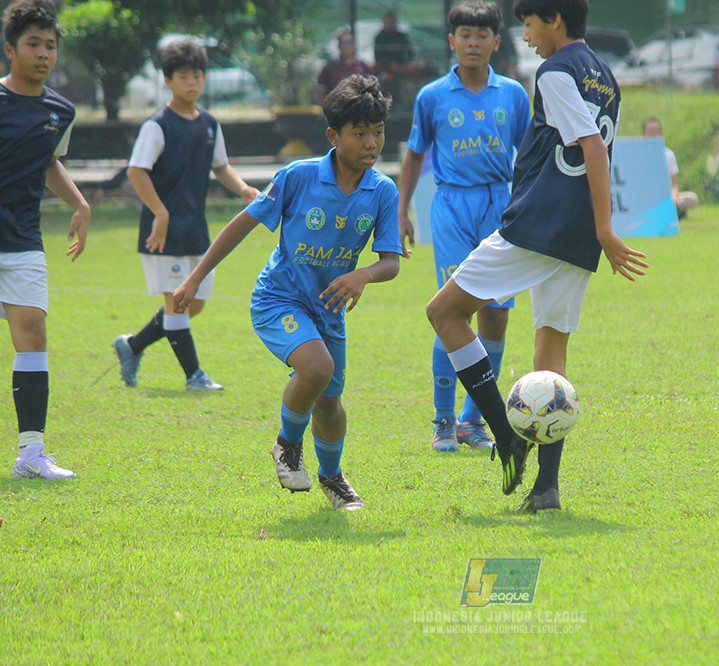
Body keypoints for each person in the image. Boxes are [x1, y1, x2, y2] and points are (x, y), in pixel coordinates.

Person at [425, 0, 648, 513]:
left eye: (528, 24)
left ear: (554, 20)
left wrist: (607, 228)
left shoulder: (555, 70)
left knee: (443, 311)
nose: (525, 37)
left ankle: (504, 434)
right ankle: (546, 488)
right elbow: (598, 144)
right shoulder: (605, 75)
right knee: (551, 358)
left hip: (538, 226)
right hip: (573, 238)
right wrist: (597, 232)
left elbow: (591, 144)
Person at [173, 75, 401, 510]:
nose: (372, 143)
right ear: (334, 136)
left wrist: (363, 275)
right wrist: (196, 276)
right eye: (360, 134)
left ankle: (332, 477)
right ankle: (286, 445)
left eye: (378, 132)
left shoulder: (382, 191)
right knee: (316, 368)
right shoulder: (298, 177)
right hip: (278, 299)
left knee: (330, 405)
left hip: (328, 311)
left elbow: (390, 261)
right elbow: (242, 224)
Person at [398, 1, 530, 453]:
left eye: (482, 35)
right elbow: (415, 153)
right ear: (451, 41)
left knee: (496, 315)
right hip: (452, 206)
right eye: (465, 35)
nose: (473, 42)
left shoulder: (513, 93)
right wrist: (402, 210)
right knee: (454, 311)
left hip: (501, 207)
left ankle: (473, 422)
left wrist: (529, 206)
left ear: (496, 41)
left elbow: (528, 155)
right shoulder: (432, 96)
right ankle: (442, 419)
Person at [112, 39, 259, 391]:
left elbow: (221, 166)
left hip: (196, 227)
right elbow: (136, 171)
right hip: (162, 231)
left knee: (194, 305)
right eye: (183, 76)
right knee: (177, 304)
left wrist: (244, 190)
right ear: (167, 80)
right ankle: (194, 376)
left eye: (197, 76)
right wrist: (160, 213)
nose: (192, 83)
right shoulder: (157, 125)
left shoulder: (209, 123)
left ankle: (131, 345)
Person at [1, 0, 90, 480]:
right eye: (33, 44)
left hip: (22, 238)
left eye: (50, 46)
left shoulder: (61, 110)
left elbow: (48, 160)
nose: (43, 54)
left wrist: (80, 204)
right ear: (11, 49)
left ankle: (31, 454)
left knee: (33, 333)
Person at [640, 117, 698, 219]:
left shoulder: (668, 154)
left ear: (661, 134)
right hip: (644, 197)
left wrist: (673, 197)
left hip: (664, 197)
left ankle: (672, 209)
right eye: (650, 131)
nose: (653, 134)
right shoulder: (636, 154)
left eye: (656, 131)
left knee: (692, 198)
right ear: (642, 134)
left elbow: (674, 184)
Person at [314, 29, 370, 102]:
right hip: (336, 108)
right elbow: (320, 89)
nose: (347, 46)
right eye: (343, 43)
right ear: (339, 46)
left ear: (353, 45)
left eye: (349, 42)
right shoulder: (330, 66)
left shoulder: (363, 66)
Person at [374, 11, 415, 79]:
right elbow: (377, 56)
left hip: (403, 67)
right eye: (388, 21)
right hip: (385, 68)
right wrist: (390, 64)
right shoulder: (379, 38)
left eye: (392, 21)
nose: (390, 23)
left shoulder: (402, 36)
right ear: (384, 22)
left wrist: (402, 64)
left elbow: (410, 53)